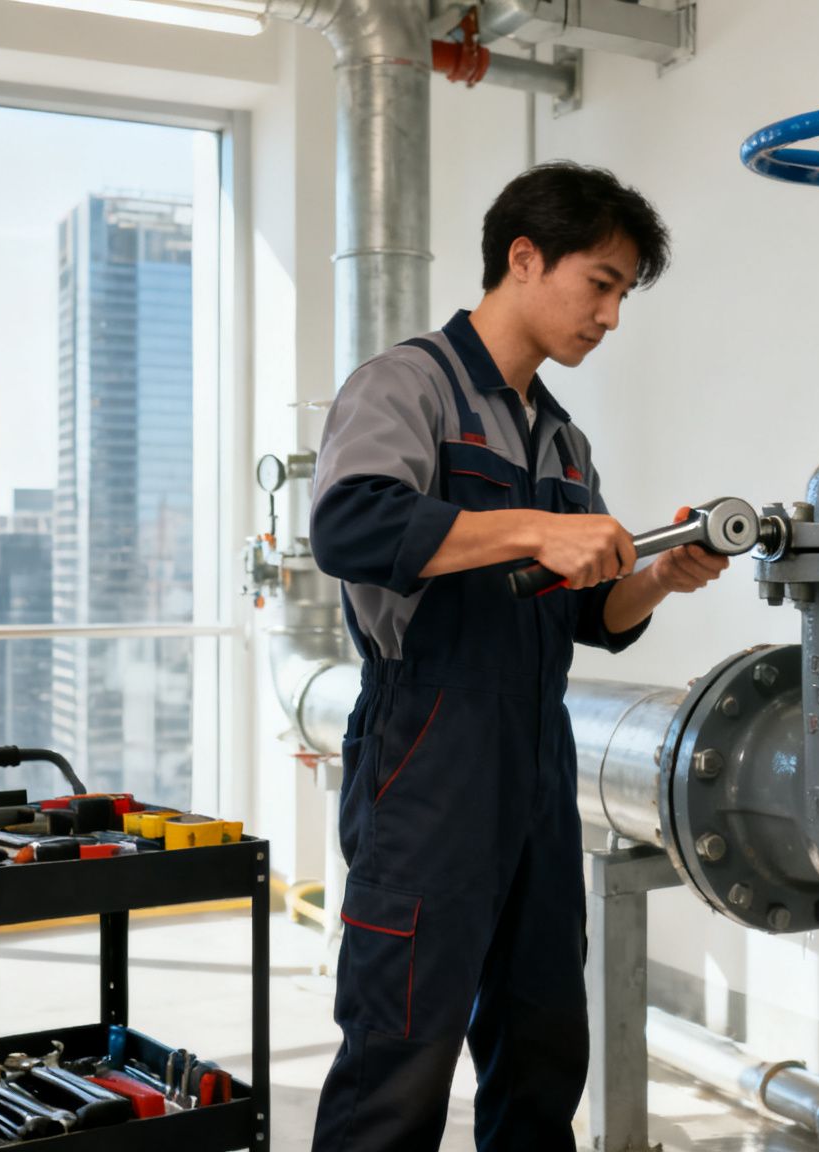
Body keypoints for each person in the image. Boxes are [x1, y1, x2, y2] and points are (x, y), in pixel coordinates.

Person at [307, 162, 725, 1151]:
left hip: (539, 759)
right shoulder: (406, 385)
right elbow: (350, 525)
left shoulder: (563, 442)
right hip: (426, 752)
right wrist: (536, 529)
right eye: (601, 283)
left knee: (542, 1046)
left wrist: (658, 575)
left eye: (622, 293)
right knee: (397, 1054)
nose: (610, 316)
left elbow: (584, 610)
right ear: (524, 259)